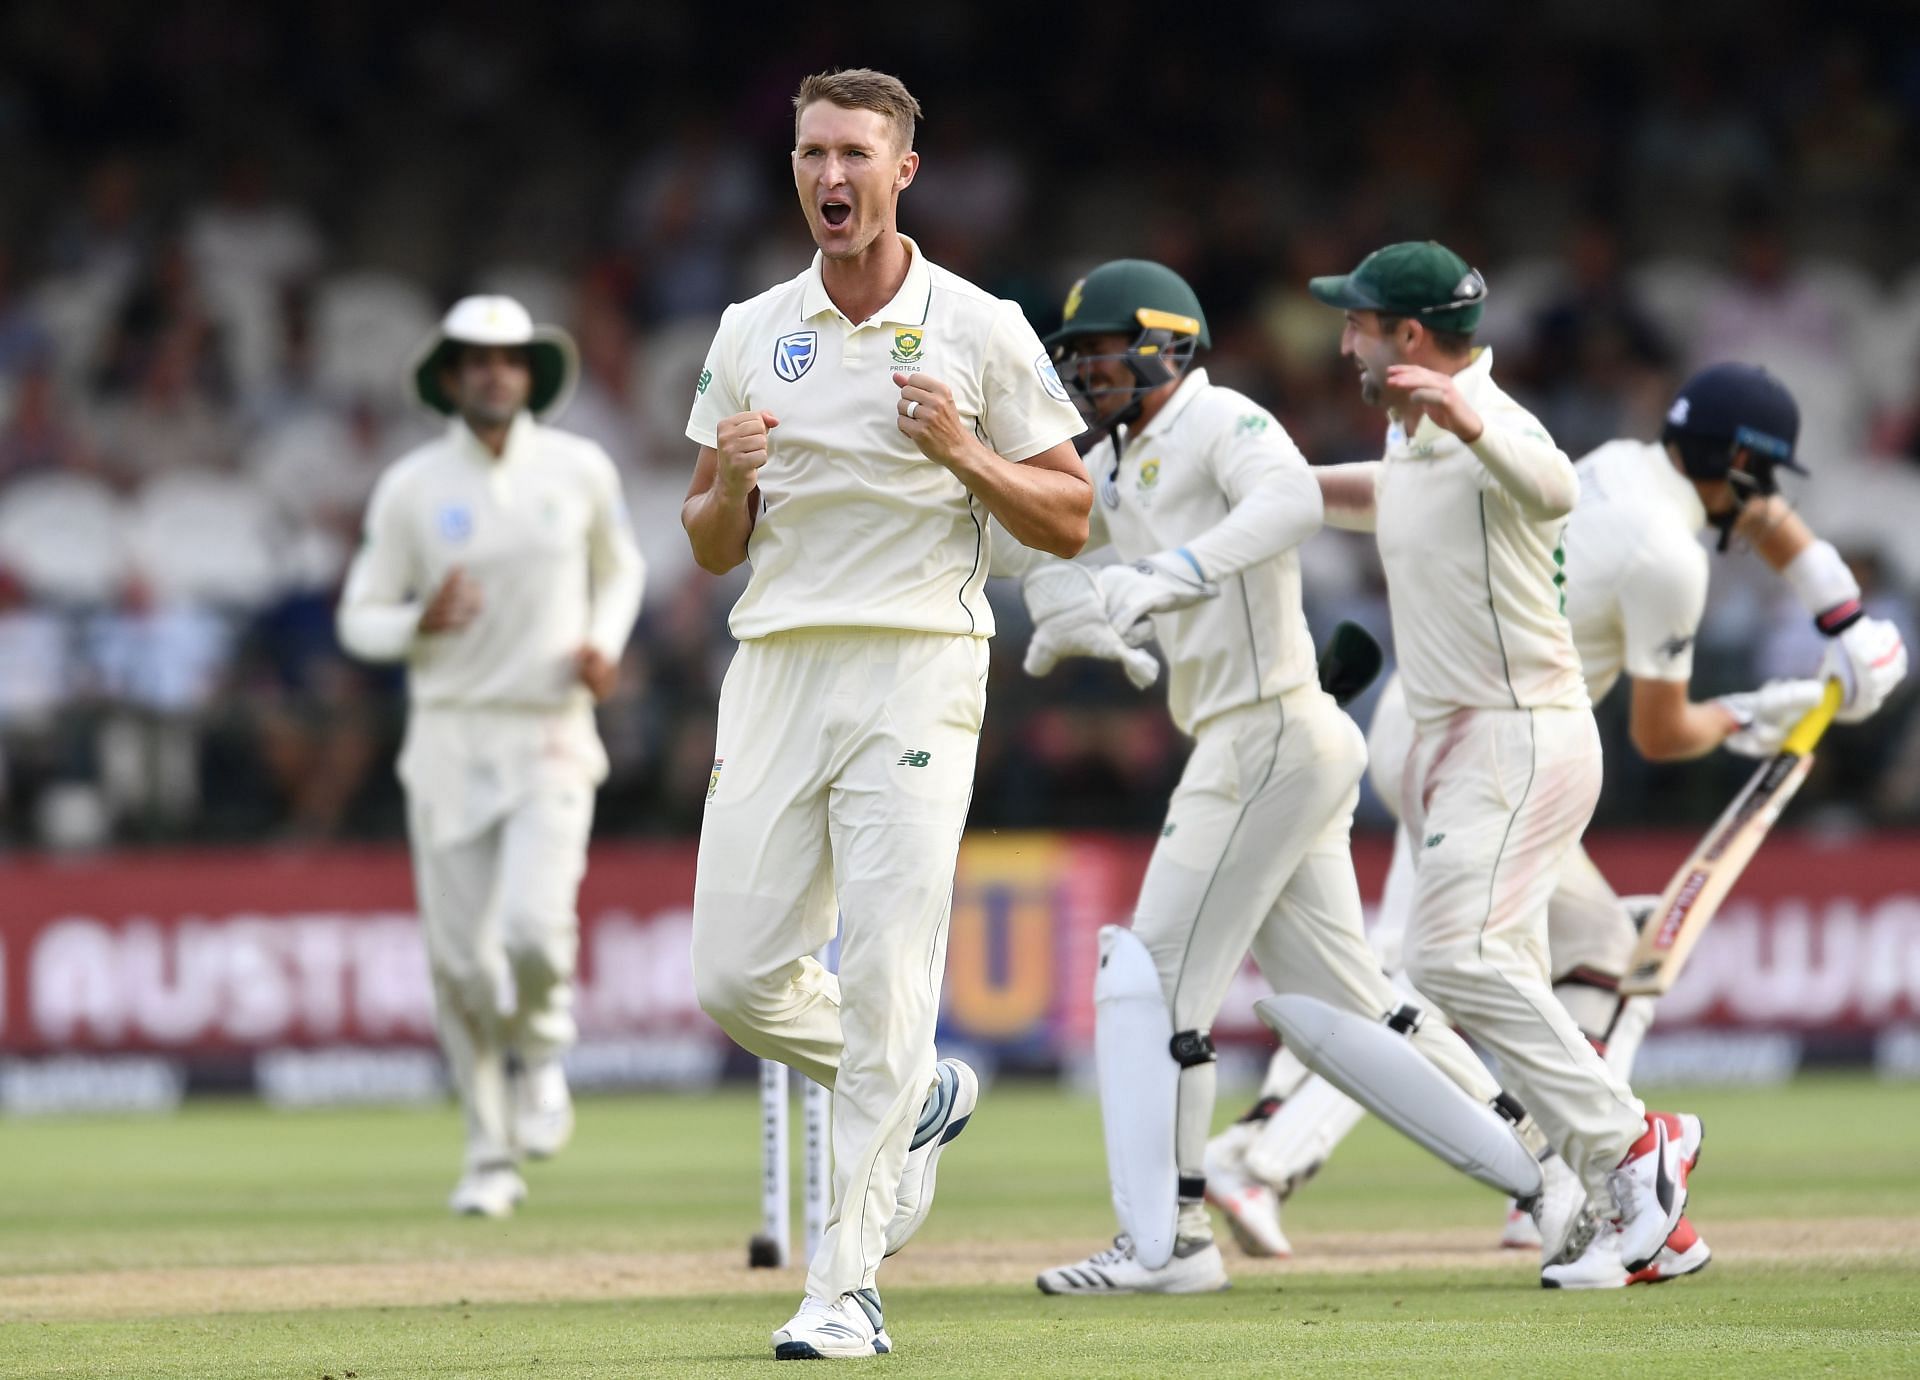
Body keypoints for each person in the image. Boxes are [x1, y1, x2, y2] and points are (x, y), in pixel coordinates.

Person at [1213, 364, 1909, 1284]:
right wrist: (1772, 710)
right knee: (1446, 963)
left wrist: (1845, 617)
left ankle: (1560, 1186)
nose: (1771, 508)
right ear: (1739, 461)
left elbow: (1764, 513)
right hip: (1483, 752)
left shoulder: (1624, 464)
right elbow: (1664, 736)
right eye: (1761, 478)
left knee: (1590, 949)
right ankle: (1272, 1158)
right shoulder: (1668, 553)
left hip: (1440, 728)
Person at [1006, 259, 1585, 1297]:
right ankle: (1554, 1184)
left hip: (1268, 738)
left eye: (1098, 351)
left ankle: (1169, 1244)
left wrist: (1164, 575)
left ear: (1162, 345)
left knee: (1156, 981)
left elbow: (1289, 508)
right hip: (1265, 742)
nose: (1084, 371)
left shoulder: (1225, 420)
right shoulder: (1122, 458)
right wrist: (1062, 598)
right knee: (1358, 1010)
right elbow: (1033, 532)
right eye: (1078, 355)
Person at [680, 69, 1090, 1361]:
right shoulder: (754, 327)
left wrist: (966, 454)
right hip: (780, 664)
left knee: (890, 973)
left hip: (920, 660)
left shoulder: (979, 326)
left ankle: (843, 1287)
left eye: (854, 153)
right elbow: (705, 545)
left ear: (904, 169)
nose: (829, 178)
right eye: (811, 155)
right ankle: (921, 1091)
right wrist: (729, 485)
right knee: (733, 975)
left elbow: (1070, 516)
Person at [1292, 241, 1700, 1278]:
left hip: (1520, 740)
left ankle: (1634, 1147)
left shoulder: (1491, 423)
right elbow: (1381, 496)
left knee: (1448, 959)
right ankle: (1644, 1211)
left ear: (1411, 338)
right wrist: (1264, 490)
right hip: (1470, 747)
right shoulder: (1422, 443)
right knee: (1496, 965)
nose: (1345, 342)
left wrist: (1474, 417)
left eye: (1360, 325)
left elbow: (1553, 485)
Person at [336, 295, 645, 1217]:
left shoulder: (579, 468)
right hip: (448, 731)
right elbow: (358, 616)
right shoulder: (412, 487)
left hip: (548, 726)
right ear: (448, 376)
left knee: (529, 930)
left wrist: (604, 643)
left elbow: (622, 567)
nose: (493, 373)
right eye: (475, 359)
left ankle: (544, 1049)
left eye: (508, 359)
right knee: (460, 964)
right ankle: (487, 1153)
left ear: (530, 373)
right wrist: (414, 621)